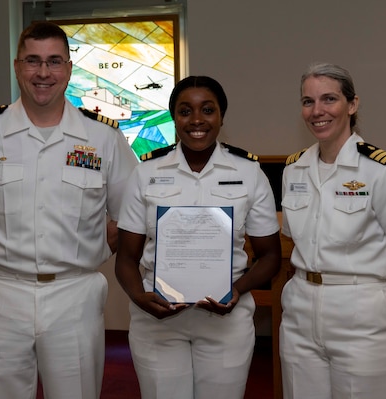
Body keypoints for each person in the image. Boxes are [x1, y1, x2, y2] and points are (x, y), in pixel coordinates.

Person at [0, 21, 138, 399]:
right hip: (1, 294)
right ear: (16, 66)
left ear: (70, 68)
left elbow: (125, 218)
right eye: (33, 61)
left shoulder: (104, 138)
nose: (44, 73)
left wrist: (85, 252)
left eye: (54, 61)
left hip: (74, 294)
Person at [115, 75, 282, 399]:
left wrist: (237, 290)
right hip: (158, 320)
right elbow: (126, 257)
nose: (196, 120)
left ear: (221, 116)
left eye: (207, 110)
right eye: (184, 110)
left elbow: (271, 255)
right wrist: (139, 298)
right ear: (173, 116)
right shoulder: (147, 172)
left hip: (225, 322)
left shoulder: (247, 172)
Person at [279, 63, 386, 399]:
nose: (317, 111)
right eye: (308, 101)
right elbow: (296, 249)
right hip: (301, 312)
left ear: (352, 104)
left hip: (362, 314)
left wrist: (385, 318)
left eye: (329, 99)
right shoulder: (294, 170)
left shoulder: (380, 171)